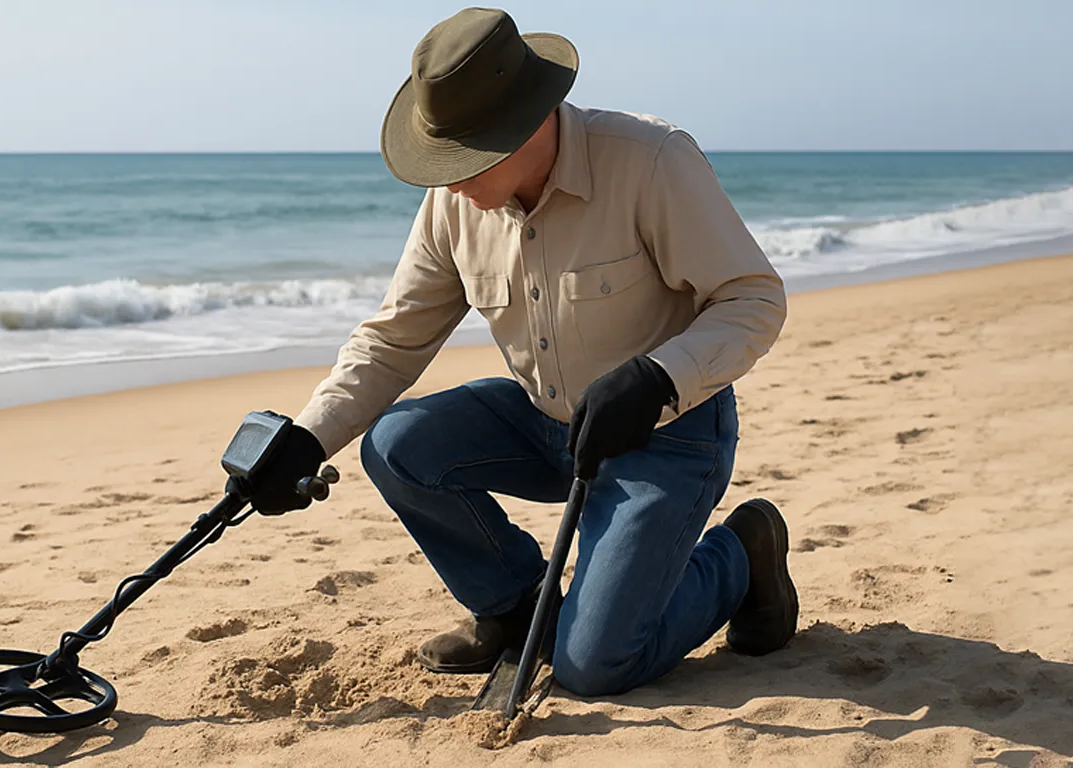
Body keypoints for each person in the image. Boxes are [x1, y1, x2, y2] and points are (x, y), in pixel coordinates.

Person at [240, 7, 798, 697]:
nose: (445, 183)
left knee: (594, 666)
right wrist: (306, 439)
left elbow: (754, 301)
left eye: (461, 160)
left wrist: (659, 378)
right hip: (545, 425)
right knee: (396, 444)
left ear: (530, 123)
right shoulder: (455, 205)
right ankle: (515, 608)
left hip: (667, 435)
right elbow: (393, 339)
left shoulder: (652, 160)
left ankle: (742, 554)